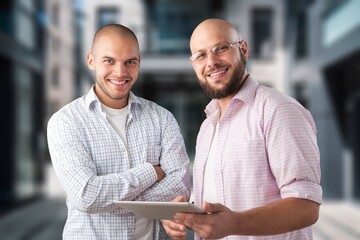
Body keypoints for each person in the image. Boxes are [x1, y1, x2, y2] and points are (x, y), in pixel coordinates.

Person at [162, 18, 322, 240]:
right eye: (200, 55)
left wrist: (234, 223)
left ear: (243, 49)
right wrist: (183, 217)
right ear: (194, 65)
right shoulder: (207, 126)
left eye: (221, 48)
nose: (211, 62)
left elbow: (306, 207)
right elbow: (218, 211)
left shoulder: (278, 110)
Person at [47, 24, 191, 239]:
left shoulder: (162, 118)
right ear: (91, 61)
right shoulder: (66, 121)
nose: (120, 72)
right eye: (109, 61)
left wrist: (111, 200)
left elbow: (181, 185)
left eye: (130, 62)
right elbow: (86, 196)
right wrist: (151, 172)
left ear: (139, 63)